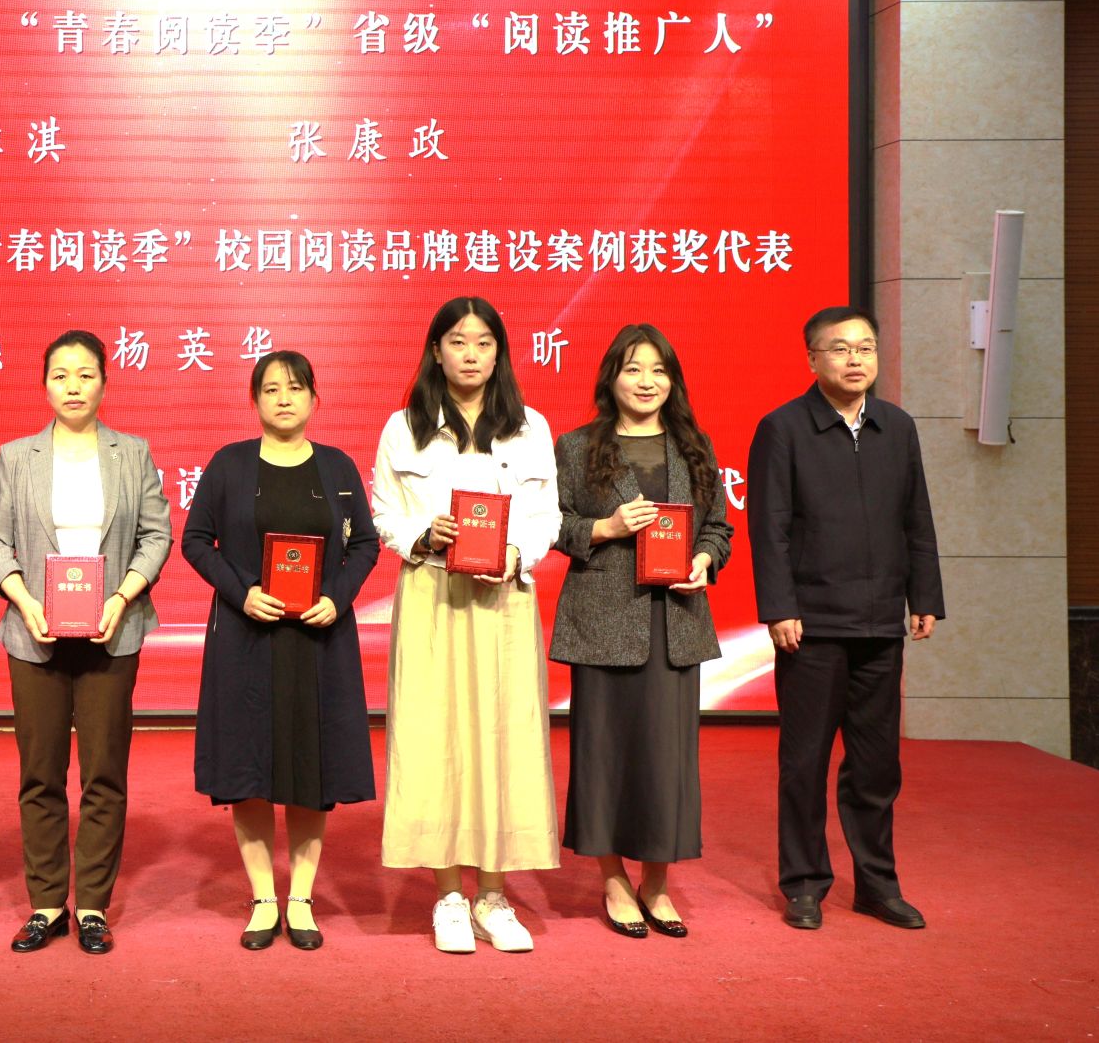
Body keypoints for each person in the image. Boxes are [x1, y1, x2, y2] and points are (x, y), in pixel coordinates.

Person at [372, 297, 560, 954]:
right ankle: (449, 893)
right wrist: (424, 536)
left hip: (504, 598)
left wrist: (516, 553)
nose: (471, 354)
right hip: (433, 594)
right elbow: (384, 511)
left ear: (499, 352)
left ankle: (495, 895)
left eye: (483, 342)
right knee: (436, 739)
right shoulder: (405, 427)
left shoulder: (529, 427)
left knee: (503, 738)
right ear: (436, 351)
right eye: (457, 341)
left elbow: (547, 515)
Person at [749, 305, 942, 932]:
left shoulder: (897, 426)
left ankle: (877, 886)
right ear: (812, 359)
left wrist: (924, 596)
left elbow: (917, 517)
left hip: (881, 623)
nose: (855, 359)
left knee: (877, 766)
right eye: (840, 348)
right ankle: (804, 884)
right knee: (804, 763)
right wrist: (780, 607)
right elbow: (770, 528)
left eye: (865, 347)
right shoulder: (783, 428)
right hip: (812, 626)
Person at [0, 330, 174, 955]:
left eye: (86, 375)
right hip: (33, 632)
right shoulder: (17, 456)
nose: (73, 386)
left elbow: (156, 535)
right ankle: (45, 904)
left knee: (103, 773)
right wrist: (26, 601)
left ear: (104, 383)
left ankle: (91, 905)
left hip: (111, 632)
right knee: (39, 774)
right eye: (61, 375)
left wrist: (121, 598)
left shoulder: (131, 453)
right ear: (44, 385)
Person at [184, 350, 380, 951]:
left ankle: (302, 899)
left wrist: (337, 598)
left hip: (318, 640)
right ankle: (264, 897)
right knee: (248, 769)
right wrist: (242, 593)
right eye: (271, 389)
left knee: (310, 769)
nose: (284, 398)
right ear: (255, 401)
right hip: (247, 638)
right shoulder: (229, 464)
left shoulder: (337, 466)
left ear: (315, 398)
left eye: (295, 388)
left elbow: (365, 546)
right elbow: (196, 540)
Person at [550, 324, 734, 938]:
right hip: (603, 619)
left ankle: (656, 881)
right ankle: (611, 879)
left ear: (673, 380)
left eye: (659, 370)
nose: (647, 381)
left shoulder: (694, 446)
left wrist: (704, 560)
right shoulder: (577, 447)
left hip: (675, 622)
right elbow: (553, 524)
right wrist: (605, 528)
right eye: (633, 369)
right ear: (611, 379)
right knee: (601, 755)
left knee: (667, 758)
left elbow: (718, 526)